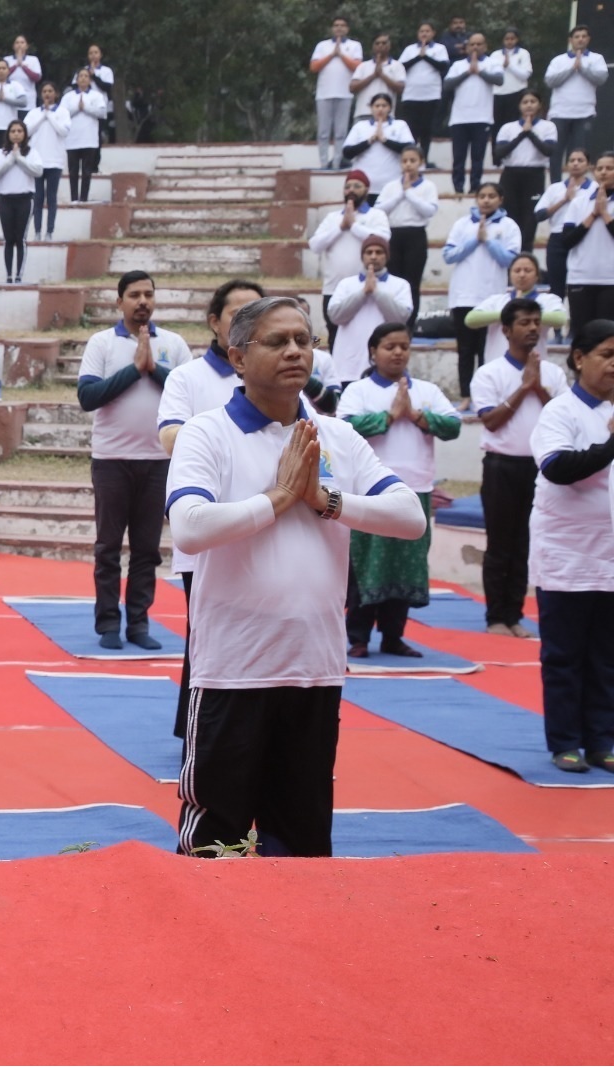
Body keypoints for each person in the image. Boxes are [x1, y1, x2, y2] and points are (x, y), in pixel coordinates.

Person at [168, 295, 426, 856]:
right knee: (214, 844)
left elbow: (411, 517)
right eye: (278, 341)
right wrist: (279, 498)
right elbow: (188, 527)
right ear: (238, 357)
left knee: (303, 845)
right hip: (233, 670)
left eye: (304, 341)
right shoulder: (207, 433)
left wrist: (327, 501)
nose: (294, 352)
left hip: (314, 669)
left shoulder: (337, 437)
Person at [158, 278, 266, 739]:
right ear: (214, 323)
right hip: (207, 528)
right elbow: (169, 438)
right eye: (238, 315)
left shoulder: (278, 381)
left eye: (258, 313)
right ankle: (199, 732)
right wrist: (233, 444)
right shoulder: (187, 378)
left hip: (268, 526)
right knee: (207, 635)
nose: (249, 323)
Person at [77, 271, 192, 650]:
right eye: (134, 295)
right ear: (119, 301)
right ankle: (108, 623)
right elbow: (88, 397)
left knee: (147, 549)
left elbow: (188, 396)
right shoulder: (102, 343)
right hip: (111, 460)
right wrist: (133, 370)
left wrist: (152, 368)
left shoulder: (173, 344)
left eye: (148, 294)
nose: (142, 301)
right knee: (108, 547)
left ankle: (139, 624)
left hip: (158, 461)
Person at [337, 322, 459, 658]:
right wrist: (389, 416)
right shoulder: (358, 391)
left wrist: (416, 415)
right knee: (365, 565)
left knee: (406, 566)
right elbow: (344, 427)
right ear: (373, 352)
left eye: (404, 346)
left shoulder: (427, 391)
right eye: (390, 346)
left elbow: (453, 426)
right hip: (370, 493)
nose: (398, 353)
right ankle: (358, 637)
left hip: (415, 490)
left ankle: (394, 637)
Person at [527, 318, 614, 773]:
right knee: (564, 655)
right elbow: (558, 468)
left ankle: (602, 741)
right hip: (566, 553)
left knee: (606, 657)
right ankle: (566, 742)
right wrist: (612, 444)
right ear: (579, 358)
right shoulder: (560, 411)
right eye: (607, 355)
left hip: (610, 555)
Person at [470, 299, 567, 637]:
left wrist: (538, 386)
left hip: (540, 468)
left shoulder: (553, 373)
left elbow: (563, 417)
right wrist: (524, 388)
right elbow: (491, 421)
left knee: (527, 542)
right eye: (525, 322)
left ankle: (515, 615)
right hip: (502, 466)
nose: (533, 328)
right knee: (500, 543)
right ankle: (496, 616)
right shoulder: (489, 372)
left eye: (536, 322)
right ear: (507, 330)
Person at [443, 182, 522, 403]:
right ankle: (466, 396)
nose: (486, 200)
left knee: (488, 350)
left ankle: (486, 396)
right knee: (465, 350)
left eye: (491, 196)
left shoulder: (509, 226)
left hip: (493, 298)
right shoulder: (462, 224)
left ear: (500, 199)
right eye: (482, 196)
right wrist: (474, 240)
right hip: (463, 296)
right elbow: (448, 255)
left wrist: (488, 240)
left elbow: (509, 259)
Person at [307, 170, 390, 350]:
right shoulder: (332, 218)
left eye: (357, 186)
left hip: (367, 287)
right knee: (335, 337)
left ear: (366, 190)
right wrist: (340, 227)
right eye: (348, 186)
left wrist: (353, 226)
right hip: (333, 289)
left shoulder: (376, 216)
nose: (351, 190)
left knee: (369, 338)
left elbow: (383, 239)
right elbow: (315, 245)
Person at [328, 235, 413, 383]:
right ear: (362, 256)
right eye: (369, 252)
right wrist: (363, 293)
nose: (374, 257)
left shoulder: (401, 285)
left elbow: (400, 318)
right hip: (348, 366)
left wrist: (376, 293)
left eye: (379, 252)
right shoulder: (345, 284)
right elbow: (335, 316)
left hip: (385, 368)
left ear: (386, 256)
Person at [466, 253, 567, 365]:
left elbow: (560, 319)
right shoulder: (496, 300)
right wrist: (507, 314)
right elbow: (470, 320)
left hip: (534, 367)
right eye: (517, 271)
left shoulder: (547, 299)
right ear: (510, 274)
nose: (522, 275)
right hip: (497, 368)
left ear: (537, 275)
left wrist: (523, 314)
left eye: (527, 270)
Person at [376, 146, 438, 325]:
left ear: (421, 163)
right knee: (393, 280)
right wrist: (400, 194)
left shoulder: (428, 186)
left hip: (416, 235)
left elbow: (429, 210)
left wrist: (409, 193)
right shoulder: (391, 186)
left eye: (413, 161)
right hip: (394, 235)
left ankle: (409, 325)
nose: (408, 165)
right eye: (404, 161)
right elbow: (379, 209)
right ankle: (391, 322)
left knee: (412, 283)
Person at [494, 91, 556, 257]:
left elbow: (548, 150)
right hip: (510, 176)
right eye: (525, 102)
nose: (529, 105)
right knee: (510, 219)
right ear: (519, 106)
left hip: (534, 176)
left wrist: (530, 133)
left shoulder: (548, 127)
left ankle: (526, 258)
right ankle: (510, 261)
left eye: (533, 101)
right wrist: (522, 133)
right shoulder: (508, 128)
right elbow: (499, 152)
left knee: (529, 221)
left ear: (539, 104)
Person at [545, 27, 609, 185]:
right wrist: (572, 68)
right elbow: (550, 81)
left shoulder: (596, 58)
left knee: (580, 154)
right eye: (577, 36)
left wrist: (582, 68)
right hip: (559, 113)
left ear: (588, 39)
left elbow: (601, 79)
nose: (580, 39)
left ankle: (577, 185)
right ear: (570, 40)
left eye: (583, 36)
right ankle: (556, 185)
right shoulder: (559, 60)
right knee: (556, 153)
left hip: (584, 113)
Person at [445, 33, 502, 196]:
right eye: (472, 44)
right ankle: (458, 188)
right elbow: (447, 85)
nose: (475, 47)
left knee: (478, 156)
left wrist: (480, 71)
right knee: (459, 157)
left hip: (482, 117)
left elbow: (499, 80)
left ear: (485, 46)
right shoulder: (458, 65)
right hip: (459, 118)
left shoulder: (492, 63)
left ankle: (475, 187)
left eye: (479, 44)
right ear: (467, 47)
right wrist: (468, 73)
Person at [562, 151, 614, 327]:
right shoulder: (579, 202)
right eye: (600, 168)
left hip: (611, 279)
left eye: (609, 168)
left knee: (608, 334)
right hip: (580, 278)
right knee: (582, 334)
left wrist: (605, 214)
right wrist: (593, 215)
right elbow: (566, 241)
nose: (603, 172)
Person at [0, 119, 41, 284]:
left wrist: (20, 159)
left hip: (25, 198)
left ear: (24, 133)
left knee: (20, 238)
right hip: (6, 199)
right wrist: (11, 159)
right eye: (13, 131)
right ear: (8, 134)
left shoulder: (32, 152)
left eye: (20, 131)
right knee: (8, 238)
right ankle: (8, 276)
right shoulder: (1, 153)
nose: (16, 134)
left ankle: (19, 275)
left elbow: (38, 171)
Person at [537, 148, 592, 301]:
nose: (575, 164)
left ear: (588, 165)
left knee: (582, 288)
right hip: (558, 238)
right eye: (572, 160)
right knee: (556, 288)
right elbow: (539, 215)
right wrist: (564, 200)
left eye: (580, 160)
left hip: (583, 237)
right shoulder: (555, 188)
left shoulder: (594, 189)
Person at [311, 17, 363, 170]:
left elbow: (357, 67)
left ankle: (337, 163)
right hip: (324, 94)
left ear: (347, 28)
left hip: (344, 93)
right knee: (323, 132)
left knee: (341, 132)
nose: (339, 28)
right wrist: (332, 54)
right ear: (332, 28)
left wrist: (341, 55)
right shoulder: (322, 45)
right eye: (336, 25)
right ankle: (323, 163)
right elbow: (314, 67)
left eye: (342, 25)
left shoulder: (355, 46)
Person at [340, 94, 412, 203]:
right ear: (371, 107)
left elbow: (409, 149)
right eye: (377, 106)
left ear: (390, 108)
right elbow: (347, 152)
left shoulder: (400, 125)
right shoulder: (360, 126)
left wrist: (385, 141)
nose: (380, 109)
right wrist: (369, 141)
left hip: (392, 184)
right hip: (364, 187)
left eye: (384, 106)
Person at [397, 22, 449, 161]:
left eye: (427, 31)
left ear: (433, 33)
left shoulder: (440, 49)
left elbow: (443, 66)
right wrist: (418, 56)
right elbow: (400, 66)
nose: (424, 34)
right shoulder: (410, 49)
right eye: (422, 31)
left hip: (431, 95)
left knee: (426, 129)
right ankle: (411, 158)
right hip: (411, 95)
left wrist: (425, 56)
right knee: (411, 130)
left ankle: (424, 159)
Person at [25, 83, 70, 239]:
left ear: (56, 94)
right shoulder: (33, 113)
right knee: (37, 198)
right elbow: (27, 131)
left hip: (55, 161)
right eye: (44, 91)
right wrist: (42, 116)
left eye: (50, 91)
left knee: (51, 198)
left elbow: (63, 131)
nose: (47, 94)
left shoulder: (62, 112)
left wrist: (49, 115)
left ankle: (49, 231)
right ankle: (37, 231)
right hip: (37, 162)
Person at [61, 68, 108, 205]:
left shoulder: (96, 96)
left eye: (86, 76)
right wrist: (77, 108)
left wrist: (86, 107)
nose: (83, 78)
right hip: (72, 140)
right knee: (73, 171)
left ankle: (84, 198)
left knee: (87, 171)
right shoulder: (68, 97)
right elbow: (62, 115)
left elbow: (102, 113)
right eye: (80, 76)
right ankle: (74, 198)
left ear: (90, 80)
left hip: (89, 139)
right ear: (76, 80)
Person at [490, 29, 532, 146]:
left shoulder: (523, 53)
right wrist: (502, 66)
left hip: (517, 93)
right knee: (497, 127)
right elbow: (492, 74)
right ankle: (497, 155)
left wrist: (510, 66)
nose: (509, 41)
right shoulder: (495, 55)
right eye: (507, 39)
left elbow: (525, 75)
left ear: (517, 39)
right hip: (498, 94)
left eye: (512, 39)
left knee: (514, 126)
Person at [350, 33, 405, 120]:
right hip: (363, 112)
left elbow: (400, 89)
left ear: (389, 46)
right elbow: (352, 88)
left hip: (386, 114)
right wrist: (373, 76)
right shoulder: (363, 66)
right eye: (377, 43)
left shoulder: (397, 65)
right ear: (373, 46)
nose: (380, 45)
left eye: (384, 43)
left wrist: (382, 75)